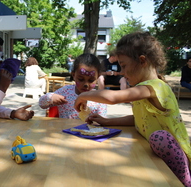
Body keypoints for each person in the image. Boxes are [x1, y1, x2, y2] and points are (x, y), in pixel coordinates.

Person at [74, 32, 191, 186]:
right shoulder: (143, 89)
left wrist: (84, 96)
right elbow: (139, 119)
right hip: (155, 154)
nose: (121, 72)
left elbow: (113, 98)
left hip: (178, 159)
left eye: (124, 66)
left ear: (142, 61)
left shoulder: (154, 87)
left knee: (160, 137)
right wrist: (108, 121)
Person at [39, 53, 107, 119]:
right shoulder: (65, 92)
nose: (86, 84)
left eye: (91, 80)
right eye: (81, 79)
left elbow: (102, 120)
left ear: (97, 78)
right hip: (64, 130)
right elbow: (41, 104)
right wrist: (50, 98)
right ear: (73, 75)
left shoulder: (99, 99)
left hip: (90, 130)